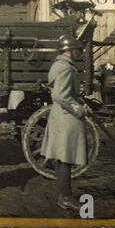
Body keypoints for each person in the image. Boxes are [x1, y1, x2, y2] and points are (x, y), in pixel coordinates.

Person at [41, 34, 88, 211]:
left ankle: (65, 196)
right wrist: (79, 109)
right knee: (65, 159)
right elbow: (60, 95)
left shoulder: (59, 65)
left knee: (63, 158)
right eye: (77, 49)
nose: (80, 52)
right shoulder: (65, 68)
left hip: (60, 116)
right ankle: (66, 198)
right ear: (68, 50)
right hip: (66, 118)